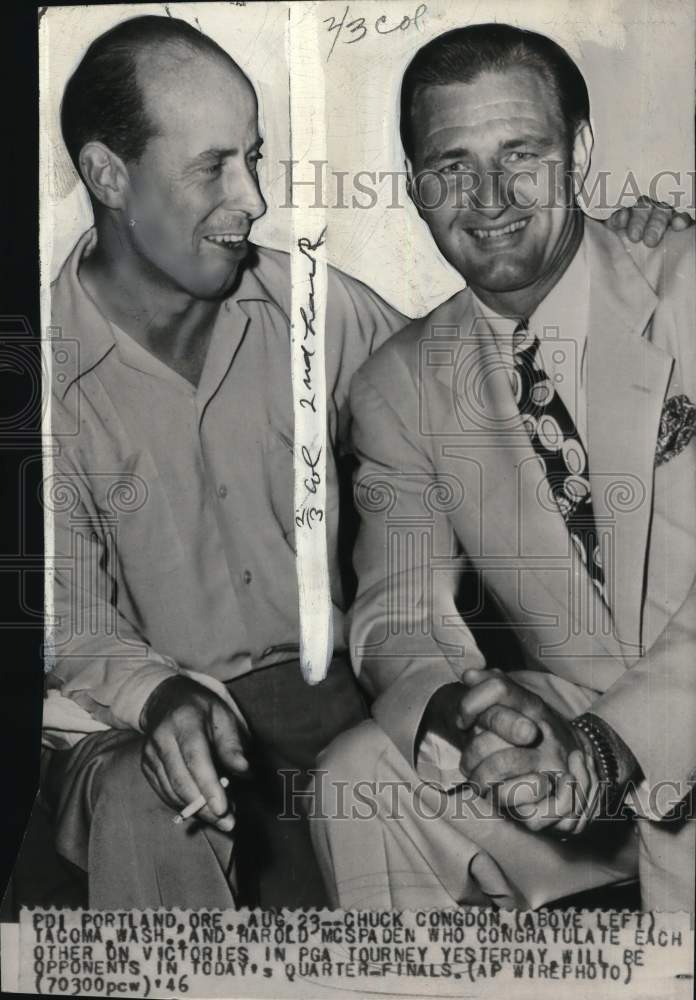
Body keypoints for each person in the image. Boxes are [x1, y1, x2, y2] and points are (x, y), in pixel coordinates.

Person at [39, 14, 681, 911]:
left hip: (384, 699)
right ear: (109, 176)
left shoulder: (320, 311)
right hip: (152, 710)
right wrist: (460, 709)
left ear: (577, 149)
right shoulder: (37, 376)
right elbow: (70, 621)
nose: (255, 197)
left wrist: (632, 248)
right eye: (213, 166)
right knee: (280, 783)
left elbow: (514, 304)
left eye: (253, 158)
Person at [311, 23, 696, 913]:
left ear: (579, 153)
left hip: (653, 724)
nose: (487, 197)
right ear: (415, 187)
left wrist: (609, 747)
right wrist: (463, 712)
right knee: (359, 777)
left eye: (520, 152)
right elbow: (395, 611)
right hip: (563, 741)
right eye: (451, 165)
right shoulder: (400, 382)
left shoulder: (684, 282)